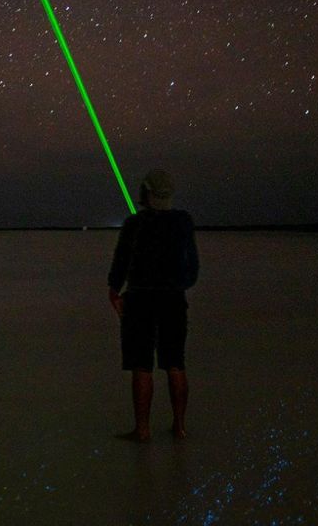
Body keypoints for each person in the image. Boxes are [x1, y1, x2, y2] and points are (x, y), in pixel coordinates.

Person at [108, 169, 199, 442]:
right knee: (175, 362)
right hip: (172, 299)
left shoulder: (134, 224)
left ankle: (143, 429)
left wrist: (114, 290)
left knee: (142, 364)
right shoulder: (183, 221)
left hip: (140, 300)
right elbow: (192, 268)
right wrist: (177, 285)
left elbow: (120, 262)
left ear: (146, 192)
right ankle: (179, 427)